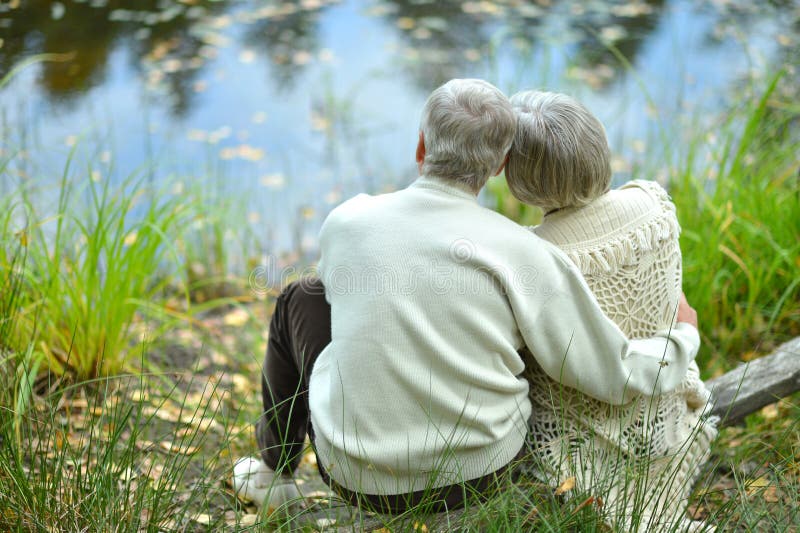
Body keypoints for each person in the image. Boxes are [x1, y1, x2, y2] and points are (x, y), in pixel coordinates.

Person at [232, 79, 701, 514]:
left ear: (421, 145)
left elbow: (347, 302)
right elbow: (612, 372)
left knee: (301, 297)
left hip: (358, 477)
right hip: (482, 474)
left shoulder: (348, 220)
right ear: (499, 166)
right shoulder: (523, 252)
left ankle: (275, 474)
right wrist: (682, 337)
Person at [505, 90, 718, 531]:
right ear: (597, 145)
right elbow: (673, 303)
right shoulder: (652, 201)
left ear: (520, 178)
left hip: (582, 459)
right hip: (669, 418)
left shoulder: (530, 255)